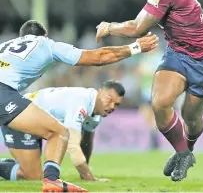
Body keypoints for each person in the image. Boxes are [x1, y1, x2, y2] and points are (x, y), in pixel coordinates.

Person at [96, 0, 203, 182]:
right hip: (177, 53)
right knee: (159, 103)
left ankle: (188, 149)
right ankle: (183, 154)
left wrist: (108, 26)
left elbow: (136, 28)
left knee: (191, 118)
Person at [0, 20, 158, 192]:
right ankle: (52, 180)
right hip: (4, 91)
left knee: (31, 174)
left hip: (9, 94)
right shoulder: (47, 45)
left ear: (21, 37)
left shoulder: (6, 45)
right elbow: (99, 57)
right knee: (59, 132)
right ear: (44, 36)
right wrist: (136, 47)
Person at [0, 80, 125, 182]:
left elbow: (86, 142)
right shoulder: (81, 103)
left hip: (36, 122)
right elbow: (72, 146)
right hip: (19, 114)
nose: (112, 106)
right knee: (32, 176)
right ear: (100, 92)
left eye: (117, 104)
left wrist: (84, 173)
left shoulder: (95, 113)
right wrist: (89, 178)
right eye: (109, 100)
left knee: (33, 174)